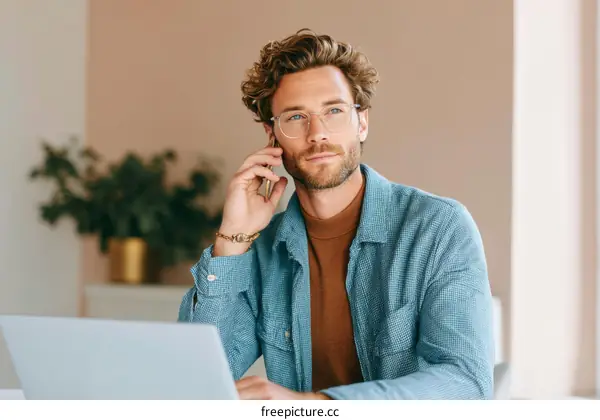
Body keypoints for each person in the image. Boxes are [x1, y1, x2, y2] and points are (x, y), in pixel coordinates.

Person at [178, 28, 494, 400]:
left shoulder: (439, 228)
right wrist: (232, 238)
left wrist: (315, 405)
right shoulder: (262, 250)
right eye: (296, 117)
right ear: (272, 135)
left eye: (334, 111)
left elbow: (465, 383)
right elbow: (196, 382)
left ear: (361, 123)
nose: (318, 133)